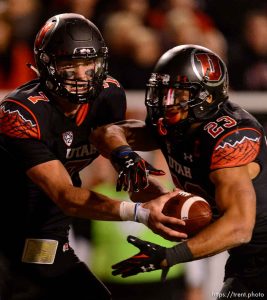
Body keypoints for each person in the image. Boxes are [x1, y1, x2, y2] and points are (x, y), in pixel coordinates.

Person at [0, 13, 186, 300]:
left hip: (45, 229)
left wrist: (145, 186)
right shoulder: (22, 113)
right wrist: (139, 214)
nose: (81, 74)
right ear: (46, 64)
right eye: (69, 64)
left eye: (88, 63)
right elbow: (64, 194)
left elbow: (109, 141)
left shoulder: (108, 95)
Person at [90, 44, 267, 299]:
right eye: (161, 93)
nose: (165, 103)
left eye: (176, 95)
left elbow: (240, 226)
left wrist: (169, 256)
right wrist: (125, 159)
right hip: (247, 255)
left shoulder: (229, 137)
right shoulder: (178, 126)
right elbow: (105, 133)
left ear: (206, 96)